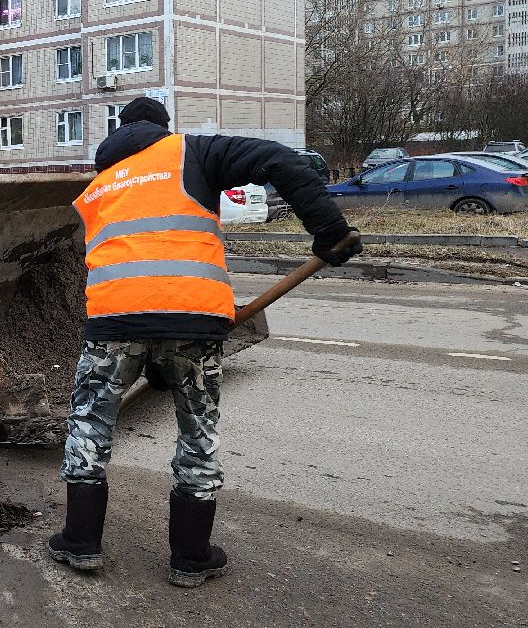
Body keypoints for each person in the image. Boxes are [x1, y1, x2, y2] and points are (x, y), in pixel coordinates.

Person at [48, 96, 362, 588]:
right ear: (162, 129)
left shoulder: (101, 183)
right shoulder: (192, 153)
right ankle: (191, 557)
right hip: (193, 323)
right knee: (197, 434)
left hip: (114, 323)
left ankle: (81, 542)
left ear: (120, 134)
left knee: (90, 425)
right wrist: (330, 232)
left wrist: (144, 352)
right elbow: (283, 161)